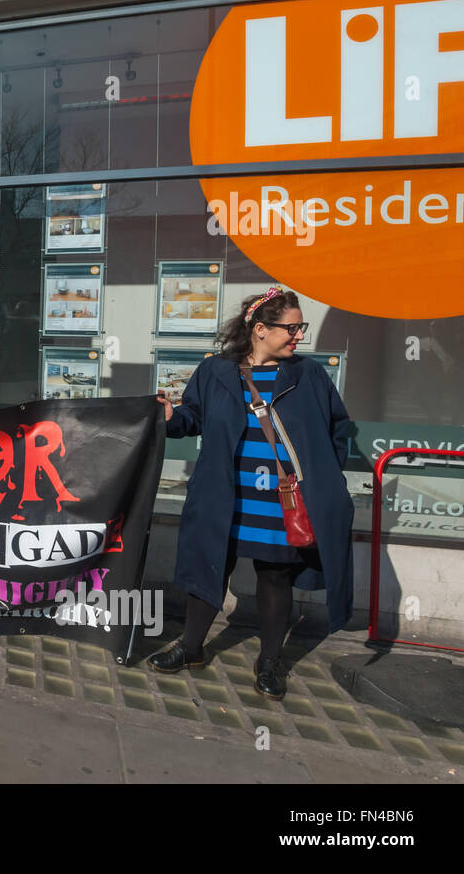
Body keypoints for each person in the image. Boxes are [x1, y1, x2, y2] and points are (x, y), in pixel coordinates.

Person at [149, 287, 354, 700]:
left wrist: (321, 476)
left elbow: (339, 429)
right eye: (291, 328)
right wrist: (171, 418)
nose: (299, 336)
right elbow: (194, 418)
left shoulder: (308, 375)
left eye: (301, 327)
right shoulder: (215, 372)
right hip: (224, 495)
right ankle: (191, 648)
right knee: (210, 567)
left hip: (281, 502)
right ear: (260, 329)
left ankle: (270, 661)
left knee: (276, 576)